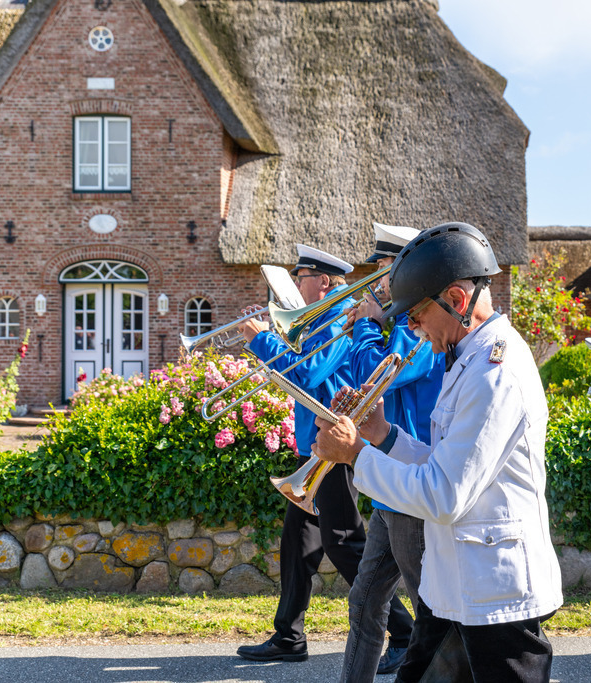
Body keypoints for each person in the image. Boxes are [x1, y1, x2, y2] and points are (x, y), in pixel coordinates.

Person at [314, 222, 564, 682]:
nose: (409, 326)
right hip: (456, 586)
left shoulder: (495, 371)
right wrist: (383, 434)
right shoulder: (468, 354)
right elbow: (440, 462)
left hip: (494, 597)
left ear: (457, 299)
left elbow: (445, 494)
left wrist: (355, 456)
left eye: (416, 313)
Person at [234, 244, 411, 664]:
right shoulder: (317, 321)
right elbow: (300, 373)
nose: (296, 285)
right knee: (297, 541)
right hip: (315, 445)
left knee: (343, 541)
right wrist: (270, 340)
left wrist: (261, 341)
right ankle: (289, 636)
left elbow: (308, 373)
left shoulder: (339, 320)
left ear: (324, 282)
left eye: (303, 277)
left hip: (335, 444)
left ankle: (406, 634)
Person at [339, 223, 446, 681]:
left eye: (385, 270)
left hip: (413, 482)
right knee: (364, 602)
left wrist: (367, 324)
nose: (379, 282)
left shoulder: (420, 330)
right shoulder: (397, 327)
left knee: (434, 616)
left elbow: (374, 376)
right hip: (388, 482)